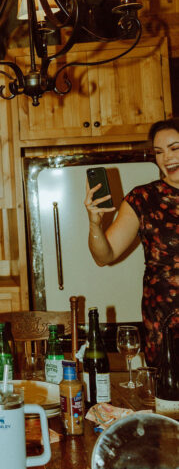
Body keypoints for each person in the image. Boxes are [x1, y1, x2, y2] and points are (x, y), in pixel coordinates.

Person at [85, 117, 179, 365]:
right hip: (165, 324)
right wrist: (95, 224)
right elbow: (104, 256)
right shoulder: (143, 198)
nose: (166, 158)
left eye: (175, 148)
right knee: (167, 398)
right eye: (158, 151)